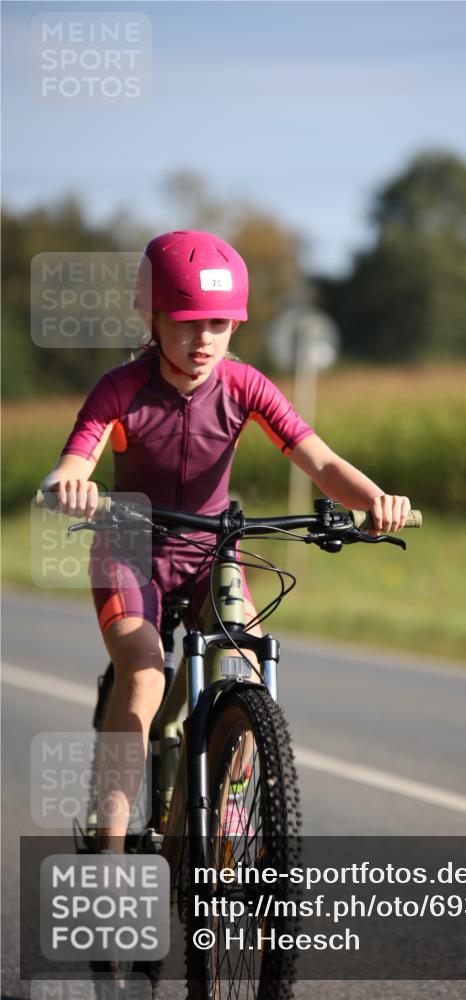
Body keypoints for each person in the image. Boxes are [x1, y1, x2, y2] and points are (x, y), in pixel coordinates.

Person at [39, 230, 411, 849]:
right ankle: (106, 846)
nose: (204, 338)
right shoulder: (121, 387)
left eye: (220, 322)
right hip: (130, 549)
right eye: (186, 322)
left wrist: (374, 499)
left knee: (249, 661)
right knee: (147, 672)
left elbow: (320, 462)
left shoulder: (245, 387)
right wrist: (69, 485)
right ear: (152, 317)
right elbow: (75, 461)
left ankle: (229, 823)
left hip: (213, 549)